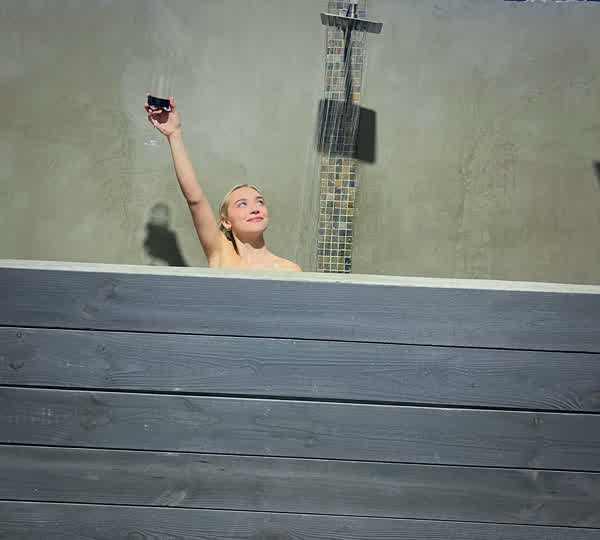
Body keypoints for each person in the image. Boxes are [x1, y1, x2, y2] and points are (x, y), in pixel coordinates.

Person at [144, 95, 301, 272]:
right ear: (226, 221)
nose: (255, 209)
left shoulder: (289, 270)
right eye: (242, 204)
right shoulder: (221, 253)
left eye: (260, 202)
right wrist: (174, 134)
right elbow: (195, 199)